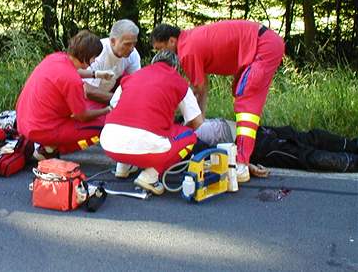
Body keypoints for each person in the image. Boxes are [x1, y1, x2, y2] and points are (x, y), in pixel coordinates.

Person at [150, 20, 285, 182]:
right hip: (264, 42)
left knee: (247, 102)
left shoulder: (186, 52)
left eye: (160, 48)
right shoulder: (189, 41)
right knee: (240, 92)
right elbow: (201, 88)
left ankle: (241, 164)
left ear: (172, 41)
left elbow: (199, 90)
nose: (159, 54)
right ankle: (244, 155)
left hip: (263, 45)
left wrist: (196, 125)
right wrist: (199, 121)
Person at [100, 50, 203, 195]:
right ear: (175, 67)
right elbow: (197, 122)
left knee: (128, 123)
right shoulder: (179, 82)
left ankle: (123, 167)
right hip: (146, 146)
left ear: (153, 62)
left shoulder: (132, 76)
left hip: (109, 143)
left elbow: (114, 105)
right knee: (189, 136)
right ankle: (150, 176)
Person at [16, 30, 111, 160]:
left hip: (24, 120)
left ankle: (48, 146)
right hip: (42, 129)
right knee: (102, 126)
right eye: (94, 57)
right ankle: (50, 148)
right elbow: (82, 116)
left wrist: (96, 74)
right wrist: (107, 110)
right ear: (87, 55)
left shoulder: (56, 58)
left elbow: (72, 71)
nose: (94, 60)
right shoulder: (72, 81)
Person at [195, 118, 358, 173]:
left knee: (310, 142)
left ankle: (352, 150)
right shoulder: (184, 139)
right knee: (304, 153)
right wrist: (245, 164)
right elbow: (209, 157)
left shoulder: (184, 122)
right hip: (254, 145)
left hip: (253, 133)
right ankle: (352, 161)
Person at [79, 19, 141, 105]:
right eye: (127, 44)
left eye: (134, 44)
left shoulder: (133, 54)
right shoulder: (97, 53)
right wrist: (120, 99)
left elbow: (136, 82)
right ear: (112, 41)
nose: (131, 48)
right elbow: (88, 91)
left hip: (108, 96)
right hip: (84, 99)